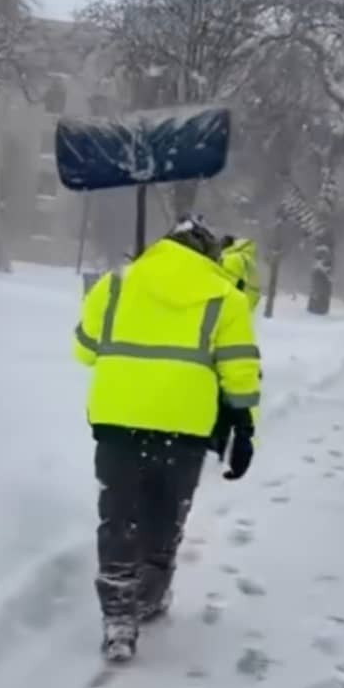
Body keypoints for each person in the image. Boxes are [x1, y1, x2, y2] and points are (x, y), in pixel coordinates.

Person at [74, 215, 261, 663]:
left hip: (118, 421)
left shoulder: (115, 286)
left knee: (118, 517)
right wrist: (245, 428)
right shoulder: (225, 297)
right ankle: (149, 596)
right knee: (163, 514)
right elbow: (238, 372)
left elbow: (83, 349)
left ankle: (118, 616)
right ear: (210, 255)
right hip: (184, 428)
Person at [220, 234, 262, 313]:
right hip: (247, 305)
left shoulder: (233, 258)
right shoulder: (250, 262)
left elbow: (225, 280)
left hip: (231, 305)